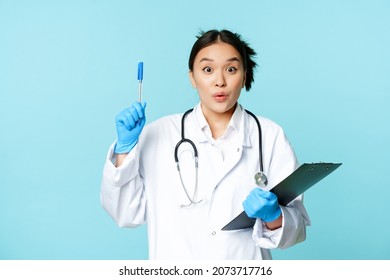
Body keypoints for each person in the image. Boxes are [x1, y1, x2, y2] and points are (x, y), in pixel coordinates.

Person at [100, 29, 311, 260]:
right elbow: (126, 214)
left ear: (244, 75)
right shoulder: (159, 134)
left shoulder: (269, 135)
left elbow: (296, 231)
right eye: (208, 70)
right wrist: (124, 150)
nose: (220, 81)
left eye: (231, 69)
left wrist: (273, 216)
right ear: (193, 77)